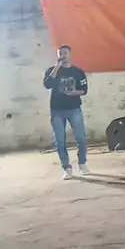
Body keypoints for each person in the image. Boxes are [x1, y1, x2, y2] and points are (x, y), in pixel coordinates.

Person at [42, 45, 90, 180]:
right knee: (60, 141)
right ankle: (66, 167)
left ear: (69, 54)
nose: (63, 55)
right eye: (60, 53)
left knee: (81, 138)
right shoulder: (51, 71)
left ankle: (82, 163)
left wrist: (73, 93)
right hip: (57, 110)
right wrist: (57, 67)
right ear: (57, 55)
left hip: (74, 108)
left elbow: (84, 90)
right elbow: (47, 84)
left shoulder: (78, 72)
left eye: (65, 53)